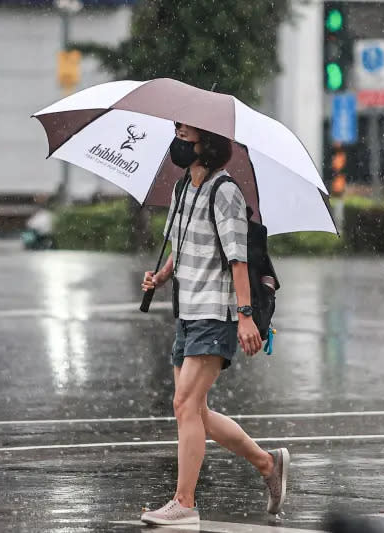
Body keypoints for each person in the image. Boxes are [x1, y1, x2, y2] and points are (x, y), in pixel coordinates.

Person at [139, 123, 289, 526]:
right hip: (187, 311)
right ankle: (266, 463)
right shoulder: (182, 189)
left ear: (207, 144)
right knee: (196, 412)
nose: (178, 141)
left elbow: (237, 259)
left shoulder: (225, 193)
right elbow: (181, 245)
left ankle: (184, 503)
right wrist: (163, 275)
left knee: (184, 405)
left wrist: (244, 317)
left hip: (215, 313)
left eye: (185, 136)